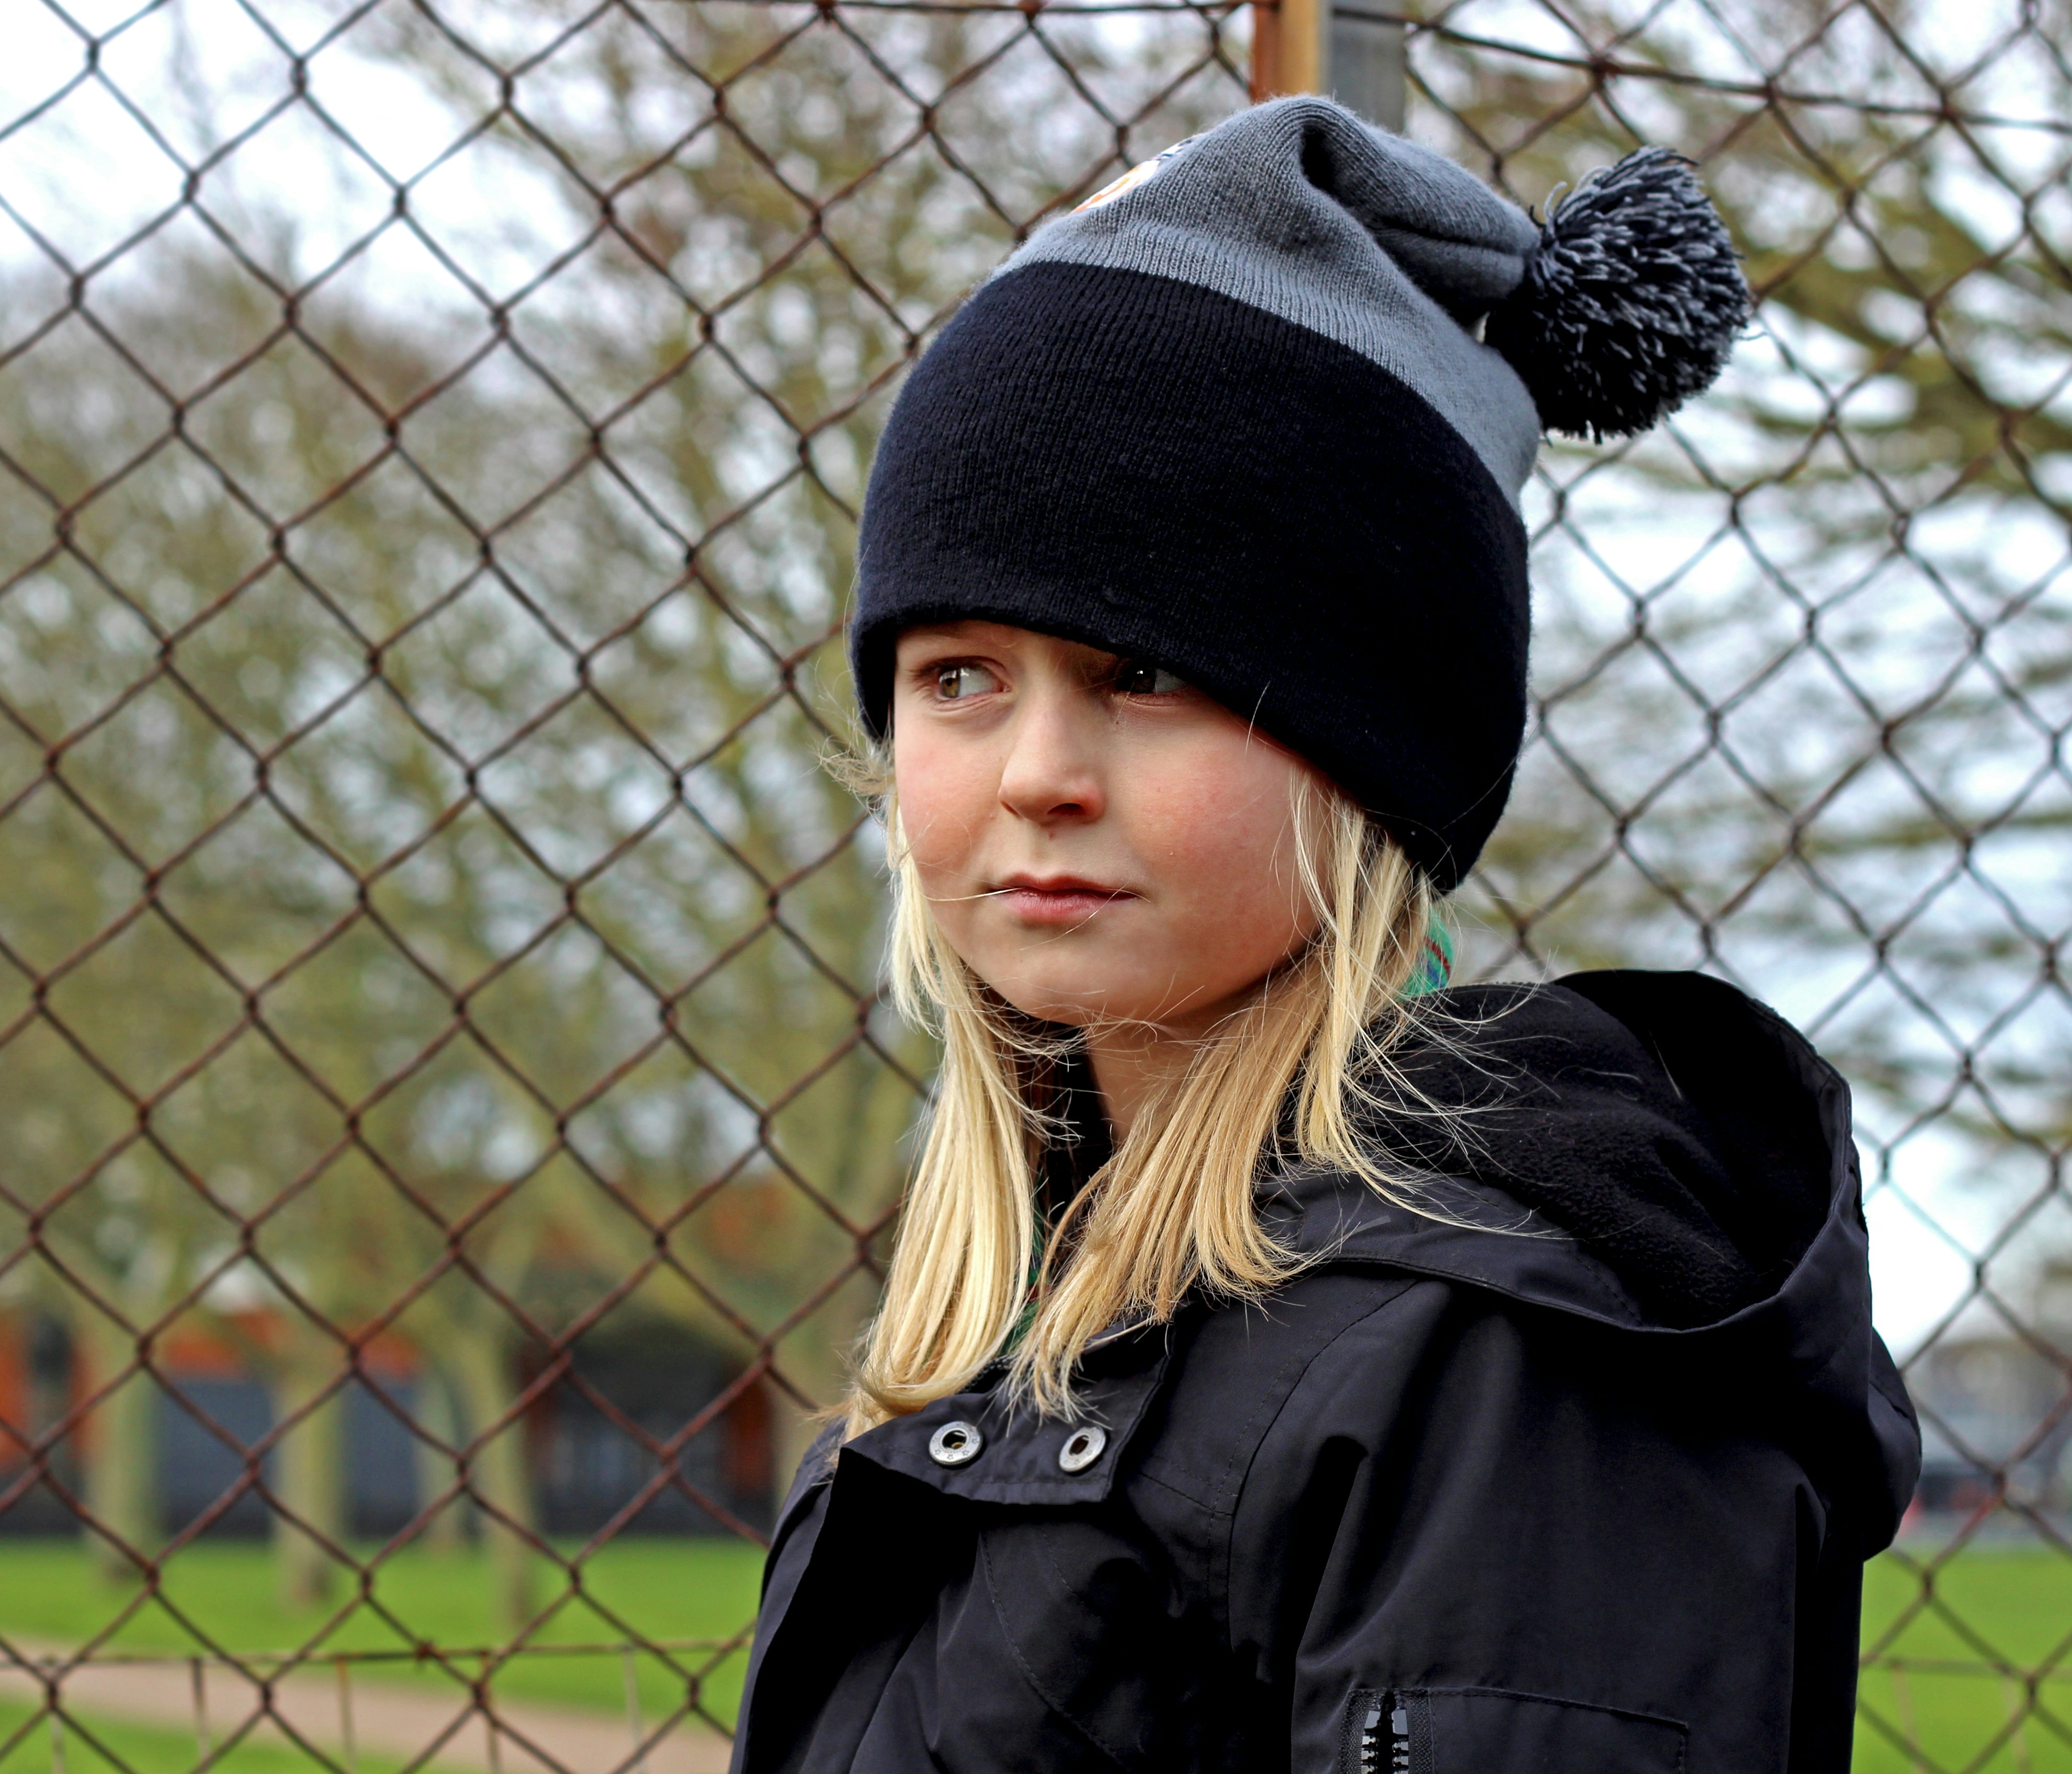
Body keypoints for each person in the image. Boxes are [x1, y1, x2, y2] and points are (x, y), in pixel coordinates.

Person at [729, 97, 1920, 1774]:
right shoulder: (1033, 1316)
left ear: (1371, 758)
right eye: (960, 678)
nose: (1039, 777)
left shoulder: (1493, 1366)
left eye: (1144, 674)